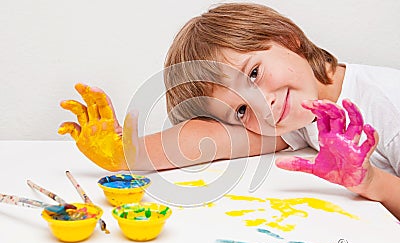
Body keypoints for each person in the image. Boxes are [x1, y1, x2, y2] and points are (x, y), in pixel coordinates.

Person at [58, 3, 400, 219]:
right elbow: (209, 138)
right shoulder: (295, 116)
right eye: (239, 109)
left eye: (253, 73)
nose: (259, 105)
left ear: (288, 38)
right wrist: (123, 154)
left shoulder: (387, 104)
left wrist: (374, 183)